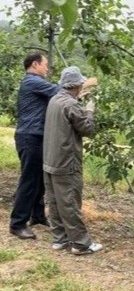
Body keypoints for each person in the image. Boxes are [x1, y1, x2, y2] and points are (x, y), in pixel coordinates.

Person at [43, 66, 102, 255]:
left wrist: (78, 100)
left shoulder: (55, 100)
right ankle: (80, 244)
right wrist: (90, 110)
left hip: (50, 160)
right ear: (76, 85)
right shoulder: (71, 105)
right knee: (70, 202)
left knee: (54, 202)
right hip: (66, 162)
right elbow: (87, 129)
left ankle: (59, 239)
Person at [9, 53, 61, 239]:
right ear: (35, 64)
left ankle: (37, 216)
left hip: (37, 136)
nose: (47, 68)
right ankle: (17, 224)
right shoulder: (32, 81)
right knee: (29, 180)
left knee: (39, 179)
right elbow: (60, 91)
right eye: (45, 64)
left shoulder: (35, 83)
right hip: (30, 137)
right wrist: (82, 83)